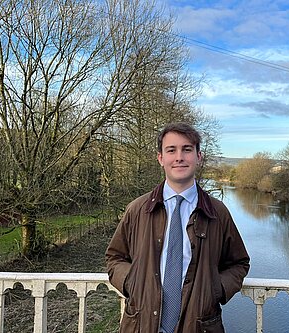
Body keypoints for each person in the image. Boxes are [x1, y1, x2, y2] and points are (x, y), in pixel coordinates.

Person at [106, 122, 250, 333]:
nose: (179, 157)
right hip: (141, 324)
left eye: (187, 149)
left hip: (199, 326)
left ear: (199, 157)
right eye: (171, 150)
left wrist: (215, 290)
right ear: (161, 158)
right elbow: (114, 257)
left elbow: (239, 263)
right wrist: (132, 283)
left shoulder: (217, 213)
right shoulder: (137, 210)